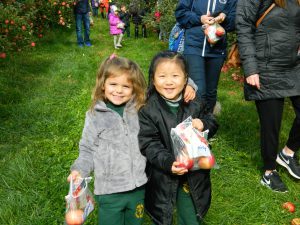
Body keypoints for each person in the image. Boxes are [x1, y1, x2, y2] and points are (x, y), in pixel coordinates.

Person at [138, 51, 218, 225]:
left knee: (190, 213)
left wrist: (203, 124)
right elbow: (149, 143)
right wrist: (168, 162)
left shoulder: (195, 102)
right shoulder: (148, 109)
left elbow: (212, 120)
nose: (169, 81)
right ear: (153, 79)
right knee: (163, 211)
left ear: (185, 79)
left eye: (175, 76)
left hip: (195, 172)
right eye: (162, 76)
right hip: (163, 173)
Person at [67, 55, 148, 225]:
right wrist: (80, 170)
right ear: (103, 85)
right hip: (110, 191)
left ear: (134, 88)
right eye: (113, 84)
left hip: (138, 187)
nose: (119, 90)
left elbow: (165, 88)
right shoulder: (95, 116)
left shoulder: (139, 110)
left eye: (126, 86)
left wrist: (189, 86)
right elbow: (87, 149)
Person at [236, 0, 300, 192]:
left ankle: (287, 153)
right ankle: (269, 172)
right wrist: (250, 68)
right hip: (265, 67)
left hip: (293, 66)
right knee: (271, 124)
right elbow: (243, 26)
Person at [175, 0, 237, 113]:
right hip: (194, 47)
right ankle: (193, 124)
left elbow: (234, 20)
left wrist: (224, 18)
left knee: (211, 93)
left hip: (217, 50)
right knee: (198, 90)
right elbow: (180, 13)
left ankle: (207, 126)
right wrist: (200, 18)